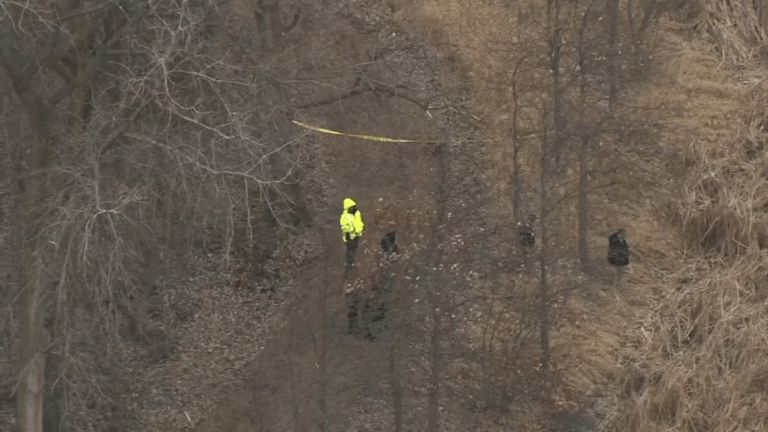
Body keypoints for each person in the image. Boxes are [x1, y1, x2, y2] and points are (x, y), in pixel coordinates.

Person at [362, 231, 399, 341]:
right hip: (383, 284)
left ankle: (371, 330)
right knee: (378, 307)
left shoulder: (388, 251)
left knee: (375, 307)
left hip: (381, 284)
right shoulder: (392, 250)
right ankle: (372, 329)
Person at [340, 198, 365, 270]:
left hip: (357, 235)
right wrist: (352, 230)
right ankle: (349, 265)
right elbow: (344, 227)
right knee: (350, 251)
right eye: (350, 207)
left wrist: (360, 228)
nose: (352, 208)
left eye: (353, 207)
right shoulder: (344, 216)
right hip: (349, 236)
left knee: (355, 249)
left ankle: (353, 264)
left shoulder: (357, 213)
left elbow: (360, 221)